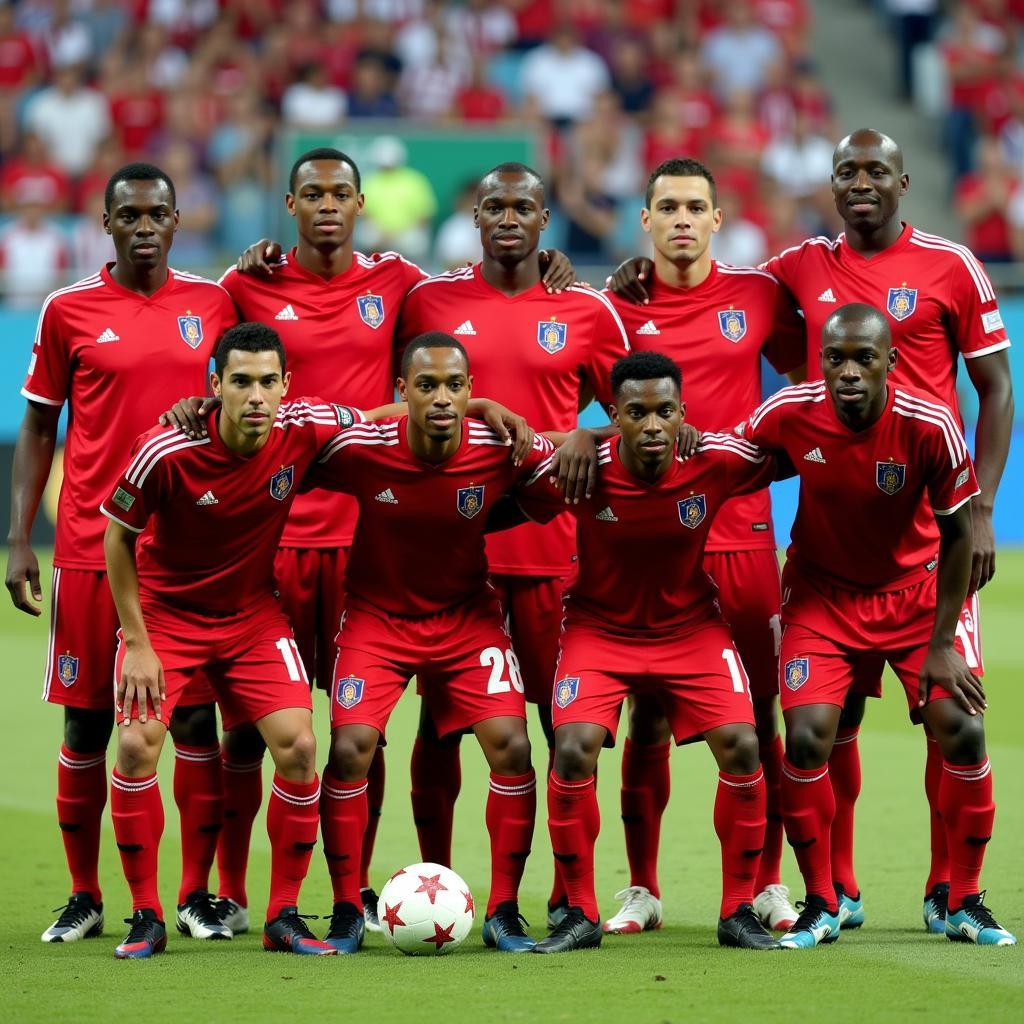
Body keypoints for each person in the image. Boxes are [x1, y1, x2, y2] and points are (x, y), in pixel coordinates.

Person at [609, 128, 1014, 934]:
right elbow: (719, 297)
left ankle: (950, 890)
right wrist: (639, 275)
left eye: (876, 172)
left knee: (949, 719)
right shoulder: (794, 269)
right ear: (829, 185)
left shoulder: (952, 266)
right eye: (846, 173)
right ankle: (837, 889)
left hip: (923, 529)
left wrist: (981, 506)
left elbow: (995, 389)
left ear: (903, 181)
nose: (861, 184)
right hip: (825, 541)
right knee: (827, 725)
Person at [204, 148, 573, 935]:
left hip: (379, 542)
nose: (329, 206)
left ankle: (410, 893)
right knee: (260, 726)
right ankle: (237, 892)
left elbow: (524, 452)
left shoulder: (401, 283)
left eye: (342, 194)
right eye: (313, 194)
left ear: (362, 201)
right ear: (291, 202)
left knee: (409, 736)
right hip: (281, 542)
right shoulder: (246, 286)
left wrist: (544, 277)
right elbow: (227, 393)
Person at [5, 163, 238, 945]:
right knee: (86, 727)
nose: (145, 226)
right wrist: (17, 535)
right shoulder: (68, 308)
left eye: (158, 214)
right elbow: (40, 425)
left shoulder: (215, 302)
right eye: (130, 215)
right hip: (86, 550)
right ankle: (84, 894)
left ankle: (196, 895)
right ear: (105, 223)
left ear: (179, 221)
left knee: (195, 724)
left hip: (188, 554)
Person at [395, 162, 630, 926]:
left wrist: (577, 436)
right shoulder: (430, 300)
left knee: (565, 731)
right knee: (440, 728)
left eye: (522, 206)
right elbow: (389, 397)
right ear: (474, 215)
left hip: (551, 554)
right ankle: (436, 885)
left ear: (544, 218)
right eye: (492, 205)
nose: (506, 217)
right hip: (449, 559)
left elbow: (641, 415)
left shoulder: (586, 310)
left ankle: (570, 894)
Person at [743, 304, 1014, 949]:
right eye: (836, 359)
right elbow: (726, 458)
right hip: (822, 597)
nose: (849, 372)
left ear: (891, 361)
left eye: (865, 358)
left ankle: (964, 899)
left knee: (963, 731)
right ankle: (823, 901)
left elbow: (958, 539)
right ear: (821, 364)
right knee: (808, 737)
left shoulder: (932, 423)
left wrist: (943, 643)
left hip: (918, 594)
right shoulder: (787, 410)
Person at [506, 351, 783, 953]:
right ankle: (578, 913)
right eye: (636, 413)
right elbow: (515, 472)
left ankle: (738, 910)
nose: (653, 425)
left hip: (691, 628)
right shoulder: (582, 466)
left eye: (665, 411)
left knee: (743, 744)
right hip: (598, 631)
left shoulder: (712, 459)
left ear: (683, 413)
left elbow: (790, 446)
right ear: (615, 415)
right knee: (573, 748)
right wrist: (578, 436)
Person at [101, 323, 357, 959]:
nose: (256, 396)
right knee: (137, 745)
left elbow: (384, 417)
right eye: (240, 381)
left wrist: (484, 406)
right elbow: (116, 538)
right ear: (214, 386)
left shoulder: (302, 427)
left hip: (251, 617)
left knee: (299, 745)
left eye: (269, 381)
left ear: (285, 385)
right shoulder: (165, 449)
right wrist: (136, 640)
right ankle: (146, 914)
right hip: (166, 614)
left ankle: (282, 916)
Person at [598, 158, 806, 936]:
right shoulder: (612, 307)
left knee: (758, 715)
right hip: (646, 542)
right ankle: (643, 890)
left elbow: (804, 382)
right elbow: (587, 395)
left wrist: (750, 439)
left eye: (695, 207)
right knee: (644, 713)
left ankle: (764, 884)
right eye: (666, 207)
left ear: (718, 219)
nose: (682, 218)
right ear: (643, 221)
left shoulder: (755, 296)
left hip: (741, 537)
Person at [304, 333, 553, 954]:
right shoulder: (363, 447)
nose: (442, 399)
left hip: (467, 618)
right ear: (401, 393)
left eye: (455, 387)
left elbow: (565, 467)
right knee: (350, 748)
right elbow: (287, 439)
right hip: (376, 618)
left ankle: (503, 911)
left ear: (472, 392)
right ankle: (344, 907)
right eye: (425, 387)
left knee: (513, 746)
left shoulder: (500, 445)